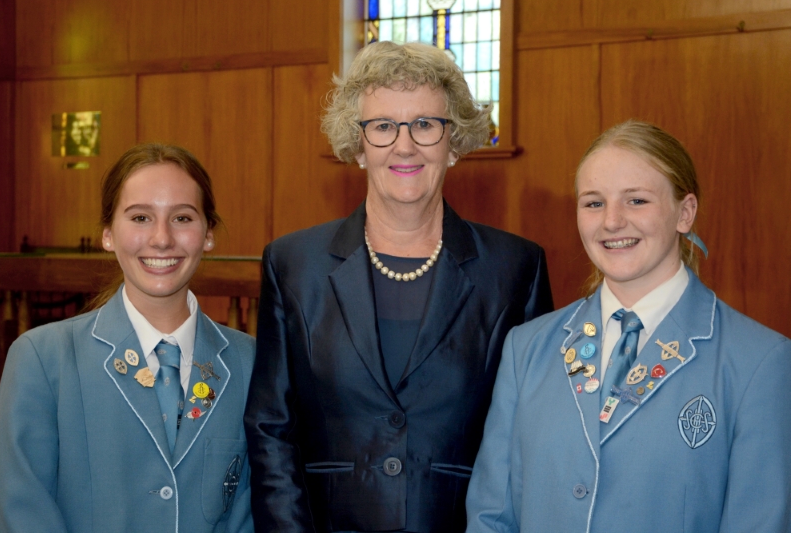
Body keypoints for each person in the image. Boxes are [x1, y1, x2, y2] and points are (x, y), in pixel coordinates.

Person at [244, 41, 553, 533]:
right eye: (383, 126)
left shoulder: (515, 268)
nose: (404, 145)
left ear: (452, 145)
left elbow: (531, 436)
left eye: (425, 125)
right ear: (358, 145)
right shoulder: (293, 264)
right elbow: (270, 431)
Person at [465, 120, 791, 532]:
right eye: (593, 203)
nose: (612, 221)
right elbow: (491, 517)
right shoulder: (526, 349)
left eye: (636, 201)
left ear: (684, 213)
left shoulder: (758, 362)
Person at [0, 144, 255, 532]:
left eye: (182, 217)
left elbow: (254, 510)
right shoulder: (42, 360)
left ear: (208, 234)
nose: (162, 239)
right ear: (108, 234)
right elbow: (21, 514)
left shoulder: (250, 364)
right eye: (141, 217)